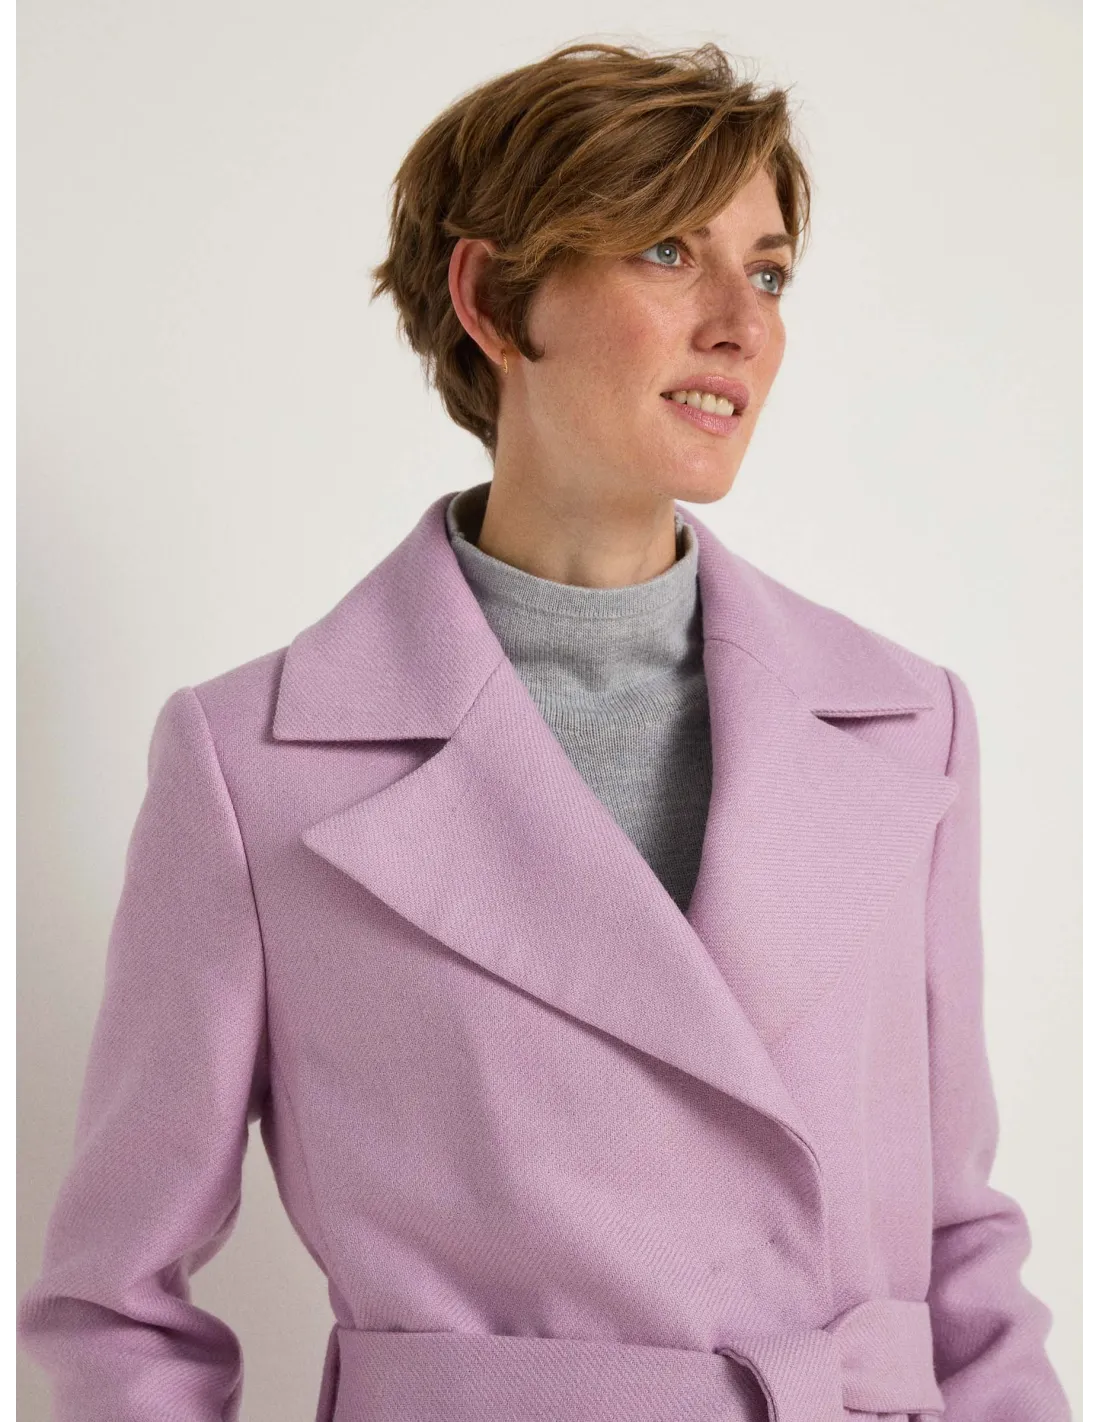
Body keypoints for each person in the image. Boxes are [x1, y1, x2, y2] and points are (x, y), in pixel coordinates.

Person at [18, 39, 1070, 1422]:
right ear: (491, 300)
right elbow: (118, 1306)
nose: (741, 325)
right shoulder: (254, 767)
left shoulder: (904, 724)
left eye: (766, 272)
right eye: (667, 253)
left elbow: (959, 1248)